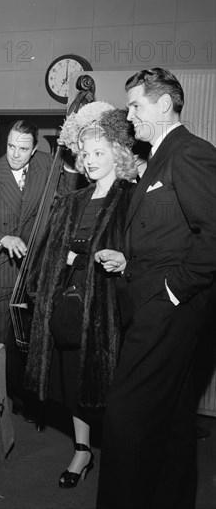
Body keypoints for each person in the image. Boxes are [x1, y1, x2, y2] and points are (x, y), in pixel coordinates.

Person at [95, 68, 216, 509]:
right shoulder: (160, 157)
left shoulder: (189, 153)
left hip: (168, 309)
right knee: (173, 422)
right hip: (156, 301)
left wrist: (172, 290)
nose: (129, 116)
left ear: (164, 105)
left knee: (126, 419)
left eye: (136, 106)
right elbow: (172, 233)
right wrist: (131, 260)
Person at [24, 106, 137, 488]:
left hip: (112, 310)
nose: (89, 161)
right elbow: (48, 256)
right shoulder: (73, 201)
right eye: (85, 155)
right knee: (74, 384)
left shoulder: (130, 199)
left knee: (116, 390)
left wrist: (93, 257)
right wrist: (66, 261)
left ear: (117, 155)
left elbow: (142, 253)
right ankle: (82, 451)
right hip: (71, 305)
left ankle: (124, 456)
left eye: (98, 154)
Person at [0, 120, 78, 418]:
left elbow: (66, 196)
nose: (15, 154)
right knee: (0, 339)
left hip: (38, 266)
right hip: (4, 268)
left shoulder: (45, 163)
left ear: (34, 148)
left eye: (23, 148)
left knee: (35, 337)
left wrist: (72, 163)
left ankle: (32, 397)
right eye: (11, 146)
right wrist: (1, 238)